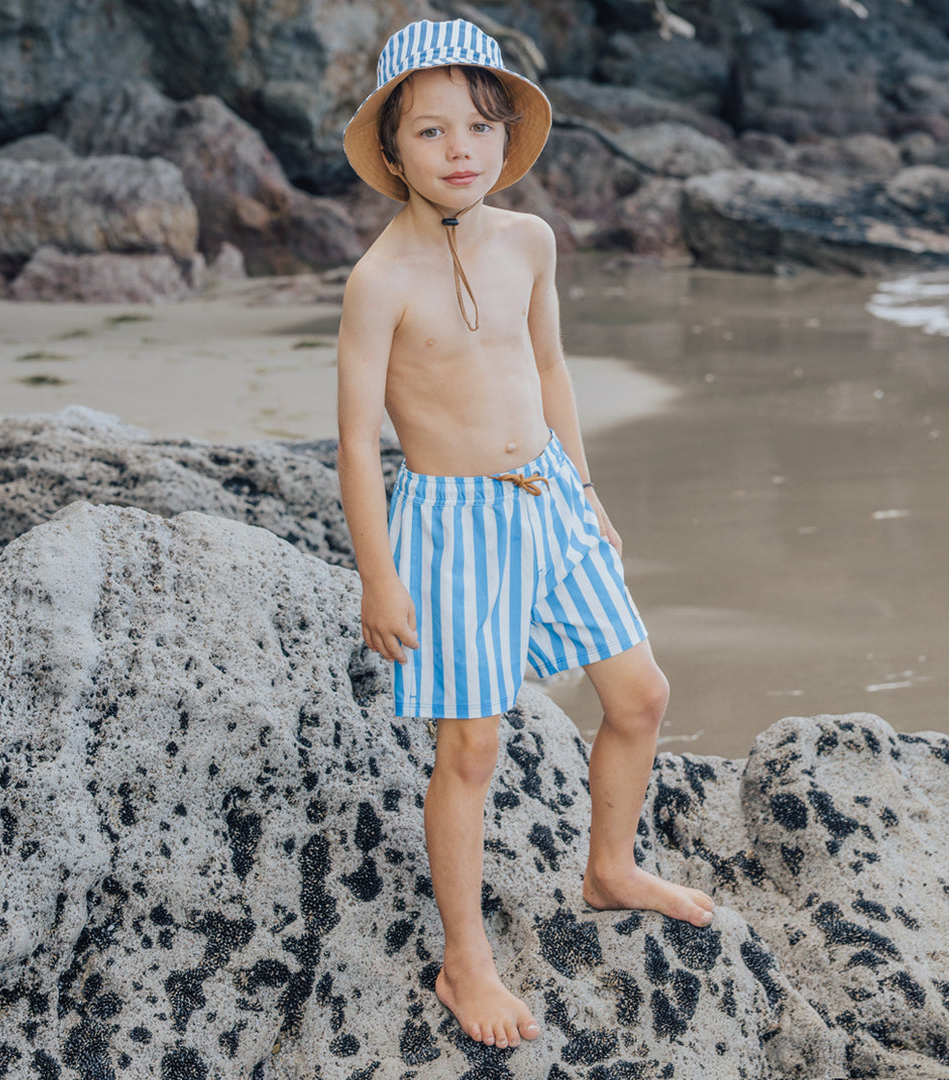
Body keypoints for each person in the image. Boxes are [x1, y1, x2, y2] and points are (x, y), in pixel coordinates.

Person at [337, 18, 715, 1051]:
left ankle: (610, 865)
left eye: (479, 126)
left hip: (547, 496)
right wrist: (380, 575)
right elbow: (360, 446)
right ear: (391, 149)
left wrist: (584, 487)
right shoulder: (380, 282)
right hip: (454, 526)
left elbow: (548, 369)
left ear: (506, 139)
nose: (460, 148)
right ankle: (466, 961)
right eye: (431, 131)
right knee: (471, 747)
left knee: (639, 694)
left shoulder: (529, 242)